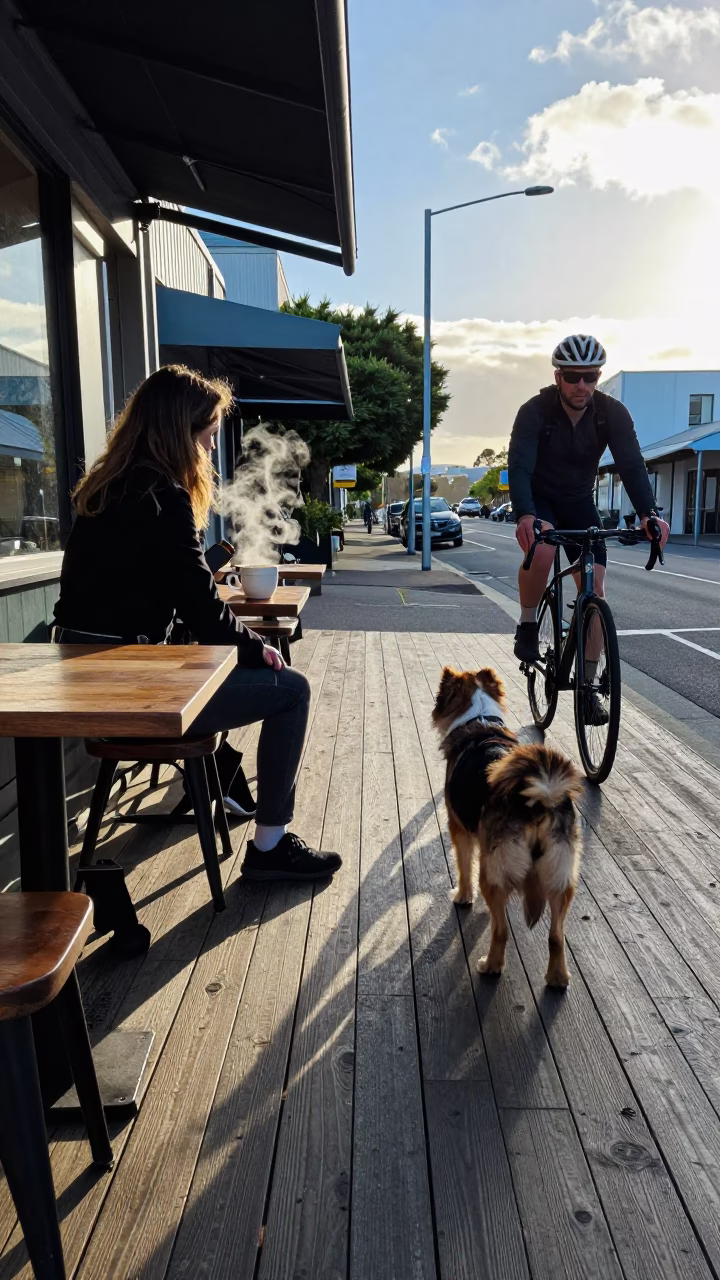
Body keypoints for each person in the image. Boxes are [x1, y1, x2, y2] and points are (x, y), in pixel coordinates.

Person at [54, 364, 341, 883]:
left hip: (81, 677)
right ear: (177, 432)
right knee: (291, 690)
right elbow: (202, 606)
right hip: (127, 691)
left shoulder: (107, 488)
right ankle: (270, 846)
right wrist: (257, 647)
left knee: (221, 664)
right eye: (207, 436)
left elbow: (157, 593)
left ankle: (227, 786)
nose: (210, 448)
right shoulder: (162, 495)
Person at [508, 334, 669, 671]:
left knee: (595, 588)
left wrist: (648, 513)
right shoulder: (534, 411)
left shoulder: (611, 413)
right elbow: (519, 466)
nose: (581, 385)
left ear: (598, 376)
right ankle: (527, 623)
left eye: (590, 376)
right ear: (558, 377)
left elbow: (631, 464)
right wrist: (525, 514)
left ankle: (590, 683)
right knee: (543, 549)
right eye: (572, 376)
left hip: (580, 501)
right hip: (540, 499)